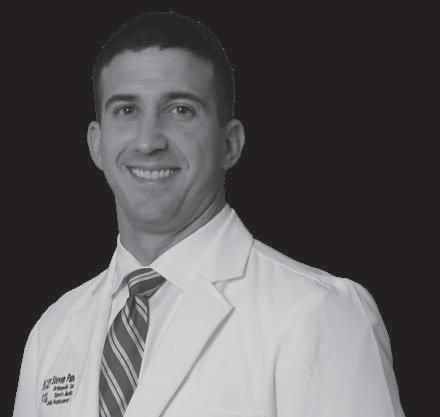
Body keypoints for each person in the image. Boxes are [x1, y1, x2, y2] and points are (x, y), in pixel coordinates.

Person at [13, 11, 405, 417]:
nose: (148, 142)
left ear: (229, 144)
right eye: (126, 110)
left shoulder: (319, 313)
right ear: (97, 144)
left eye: (180, 110)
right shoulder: (53, 332)